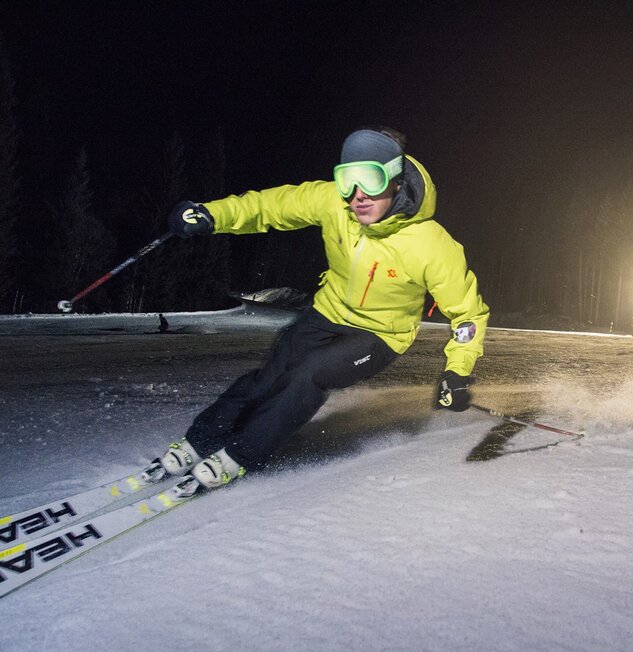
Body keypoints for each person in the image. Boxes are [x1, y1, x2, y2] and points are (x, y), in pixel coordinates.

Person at [156, 127, 489, 490]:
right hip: (327, 312)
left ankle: (241, 454)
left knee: (308, 374)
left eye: (371, 180)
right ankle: (201, 439)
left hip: (379, 335)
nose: (356, 196)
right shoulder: (335, 202)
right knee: (272, 374)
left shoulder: (431, 245)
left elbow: (468, 314)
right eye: (347, 180)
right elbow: (270, 206)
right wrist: (210, 215)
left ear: (395, 180)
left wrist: (458, 370)